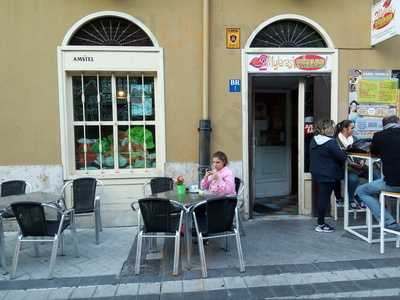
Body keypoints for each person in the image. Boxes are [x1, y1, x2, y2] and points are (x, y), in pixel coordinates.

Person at [355, 115, 400, 231]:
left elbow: (374, 153)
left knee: (361, 191)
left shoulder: (379, 136)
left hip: (393, 184)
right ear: (398, 122)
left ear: (383, 125)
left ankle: (389, 222)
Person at [310, 119, 346, 233]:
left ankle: (338, 198)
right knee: (324, 199)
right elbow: (342, 157)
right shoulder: (330, 142)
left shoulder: (314, 140)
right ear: (327, 129)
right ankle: (320, 224)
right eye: (333, 127)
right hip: (328, 173)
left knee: (322, 197)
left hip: (317, 172)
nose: (334, 129)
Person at [334, 120, 363, 209]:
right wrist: (350, 163)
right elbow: (337, 157)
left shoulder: (355, 139)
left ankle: (361, 196)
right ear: (344, 129)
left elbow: (361, 151)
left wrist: (362, 160)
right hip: (344, 168)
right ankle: (351, 199)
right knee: (353, 178)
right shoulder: (335, 141)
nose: (353, 130)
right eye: (352, 128)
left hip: (358, 167)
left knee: (377, 175)